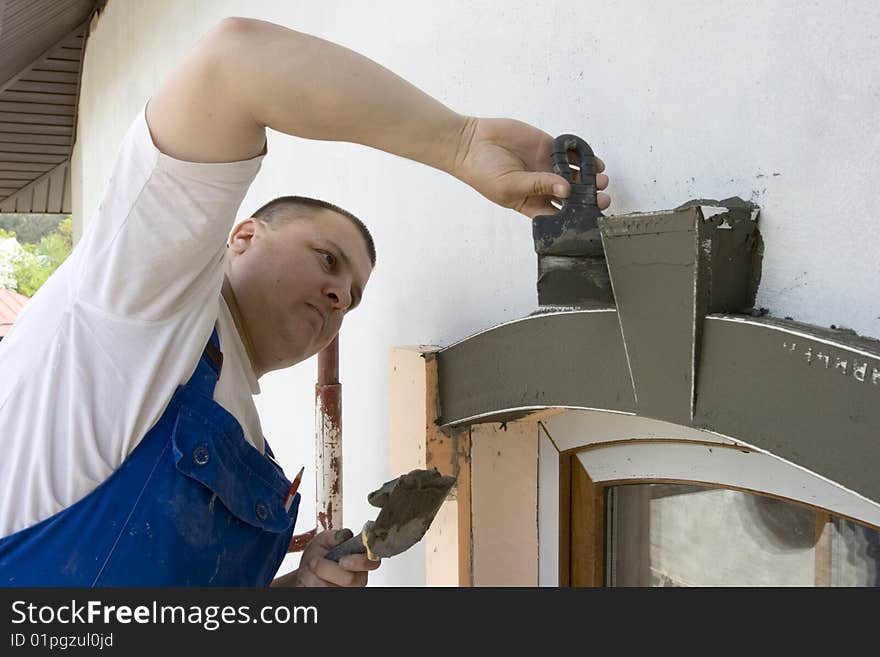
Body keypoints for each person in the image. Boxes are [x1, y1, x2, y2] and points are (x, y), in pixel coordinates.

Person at [0, 17, 610, 587]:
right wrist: (460, 141)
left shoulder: (251, 445)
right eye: (327, 259)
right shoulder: (140, 307)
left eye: (354, 296)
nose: (341, 294)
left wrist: (300, 587)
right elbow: (234, 62)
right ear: (240, 239)